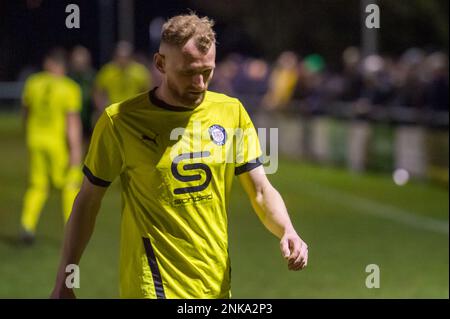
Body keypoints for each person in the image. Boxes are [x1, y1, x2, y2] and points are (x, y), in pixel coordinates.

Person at [51, 13, 308, 299]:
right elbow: (88, 201)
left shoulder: (231, 112)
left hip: (216, 282)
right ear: (160, 64)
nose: (199, 82)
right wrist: (66, 277)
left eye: (207, 71)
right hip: (153, 285)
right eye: (188, 72)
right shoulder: (120, 121)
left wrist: (287, 230)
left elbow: (260, 190)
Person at [20, 48, 83, 245]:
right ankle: (72, 231)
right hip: (57, 144)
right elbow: (72, 123)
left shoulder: (33, 83)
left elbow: (25, 113)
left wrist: (28, 132)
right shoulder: (69, 88)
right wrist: (75, 150)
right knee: (70, 184)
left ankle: (27, 225)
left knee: (37, 185)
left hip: (34, 140)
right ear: (63, 67)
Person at [93, 41, 151, 115]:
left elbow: (147, 92)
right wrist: (101, 108)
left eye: (125, 57)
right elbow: (97, 91)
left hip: (133, 110)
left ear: (131, 57)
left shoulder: (140, 72)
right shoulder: (107, 71)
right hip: (112, 111)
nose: (122, 60)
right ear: (115, 57)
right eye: (119, 57)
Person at [68, 45, 96, 154]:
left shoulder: (92, 76)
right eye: (76, 61)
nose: (79, 64)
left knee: (89, 147)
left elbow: (96, 94)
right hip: (74, 116)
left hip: (88, 115)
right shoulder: (69, 77)